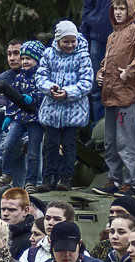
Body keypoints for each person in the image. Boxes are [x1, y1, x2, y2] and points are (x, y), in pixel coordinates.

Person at [94, 0, 135, 197]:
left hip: (126, 96)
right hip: (109, 95)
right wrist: (100, 74)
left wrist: (130, 70)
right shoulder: (112, 35)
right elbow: (107, 61)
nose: (118, 13)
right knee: (110, 140)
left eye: (123, 9)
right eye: (116, 9)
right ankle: (114, 179)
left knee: (125, 140)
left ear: (132, 10)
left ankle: (130, 182)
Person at [36, 21, 95, 191]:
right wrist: (50, 88)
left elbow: (86, 82)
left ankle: (66, 177)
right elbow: (40, 78)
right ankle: (49, 178)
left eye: (72, 41)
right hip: (52, 110)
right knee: (51, 145)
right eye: (65, 42)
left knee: (69, 145)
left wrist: (67, 92)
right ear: (58, 40)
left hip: (73, 111)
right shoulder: (48, 54)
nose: (69, 45)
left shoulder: (83, 56)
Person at [0, 40, 45, 189]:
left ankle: (31, 182)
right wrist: (9, 115)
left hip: (36, 120)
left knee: (34, 153)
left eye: (28, 58)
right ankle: (7, 173)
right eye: (23, 59)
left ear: (37, 59)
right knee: (8, 144)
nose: (24, 61)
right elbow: (12, 98)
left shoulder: (42, 77)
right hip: (19, 118)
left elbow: (46, 93)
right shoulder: (19, 78)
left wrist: (34, 97)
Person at [0, 39, 25, 174]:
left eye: (16, 53)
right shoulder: (0, 81)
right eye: (9, 54)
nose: (12, 58)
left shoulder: (38, 78)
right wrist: (12, 108)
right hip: (1, 134)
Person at [0, 187, 36, 258]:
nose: (5, 213)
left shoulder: (32, 238)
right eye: (3, 209)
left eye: (11, 210)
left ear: (26, 210)